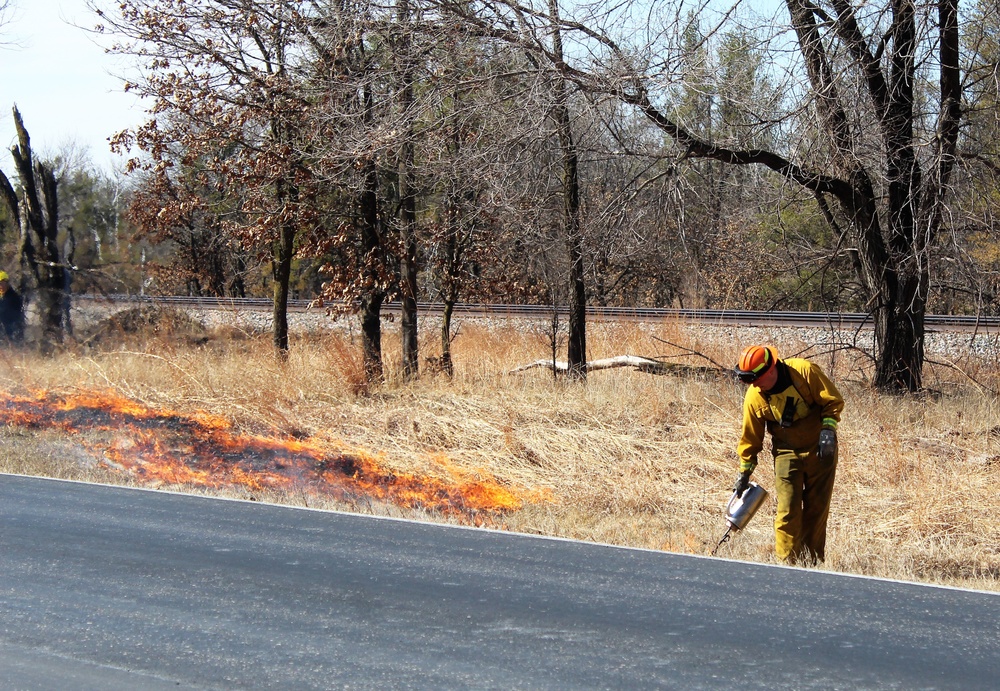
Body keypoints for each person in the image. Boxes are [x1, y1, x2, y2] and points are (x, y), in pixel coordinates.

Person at [732, 345, 844, 564]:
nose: (753, 384)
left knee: (817, 508)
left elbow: (833, 401)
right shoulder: (754, 397)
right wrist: (745, 472)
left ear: (771, 369)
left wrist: (828, 430)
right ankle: (786, 565)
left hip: (820, 448)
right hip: (786, 452)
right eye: (748, 380)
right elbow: (750, 438)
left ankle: (812, 563)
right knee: (787, 511)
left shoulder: (804, 371)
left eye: (755, 378)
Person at [0, 271, 25, 344]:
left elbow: (9, 313)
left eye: (1, 283)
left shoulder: (13, 297)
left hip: (12, 329)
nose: (0, 286)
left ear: (6, 283)